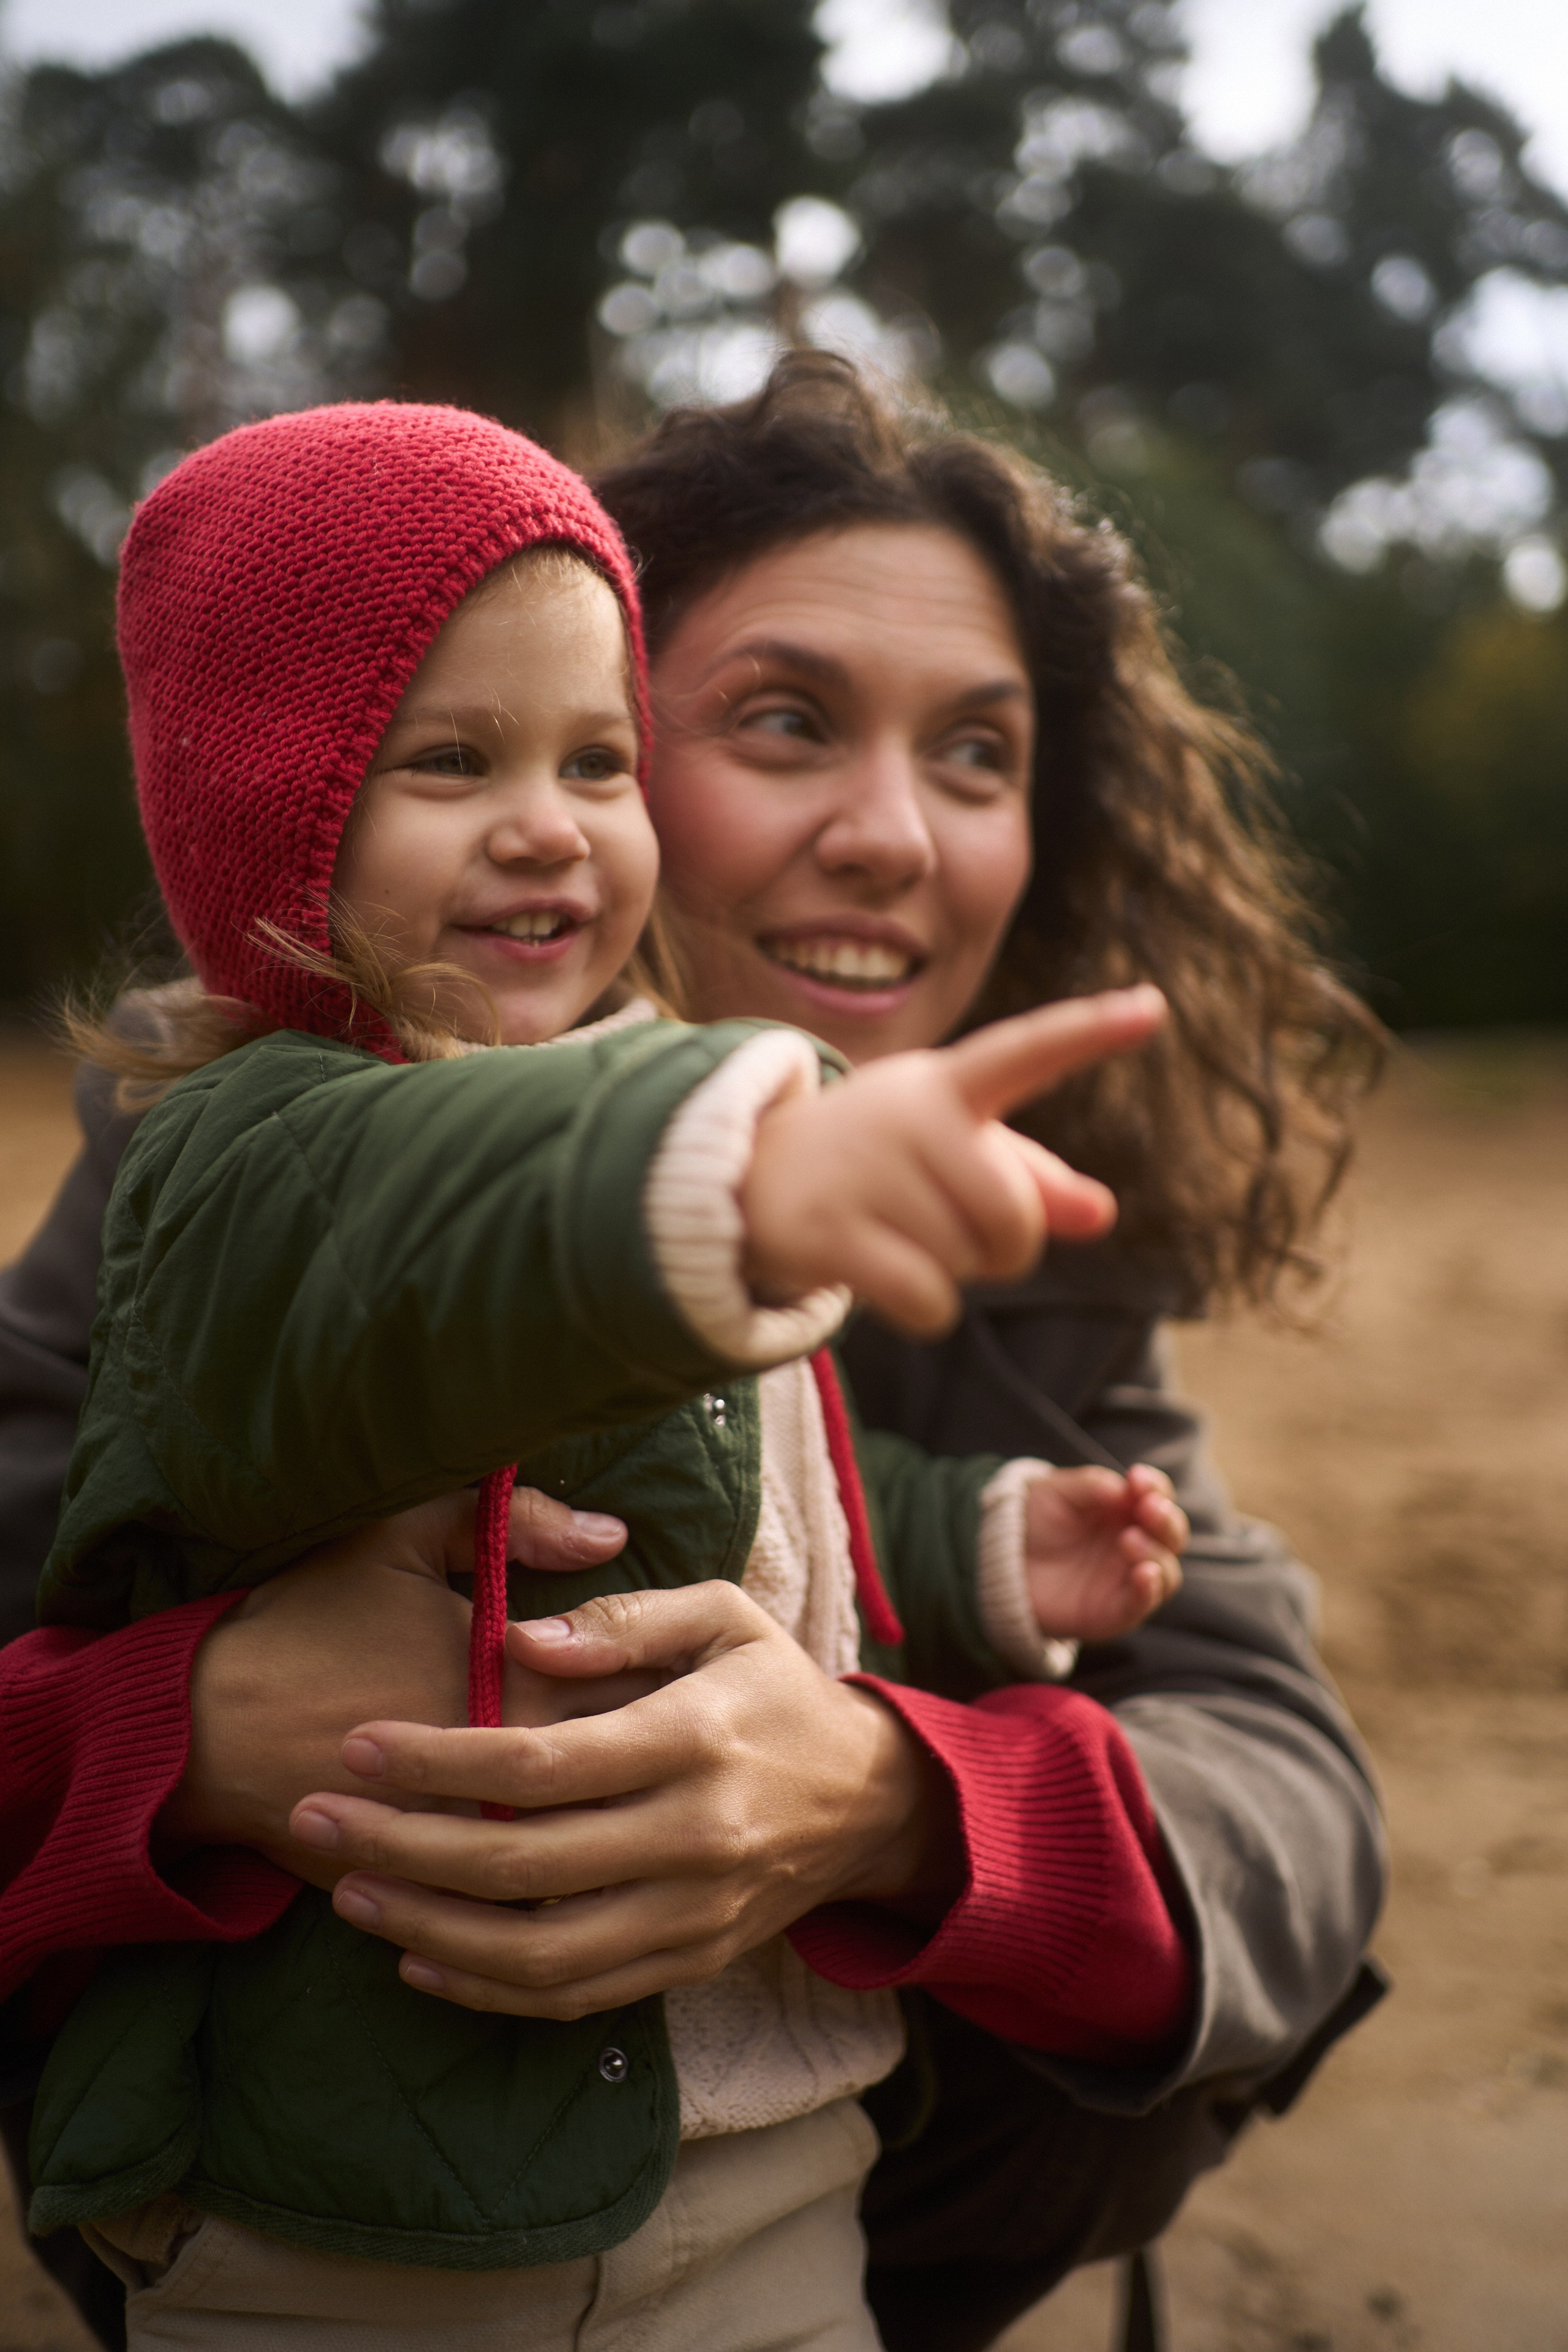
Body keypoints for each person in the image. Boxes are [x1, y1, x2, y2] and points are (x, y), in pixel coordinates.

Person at [0, 356, 1386, 2352]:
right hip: (340, 2199)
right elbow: (481, 1203)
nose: (896, 833)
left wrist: (897, 1802)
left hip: (775, 2209)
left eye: (981, 754)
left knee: (1157, 2037)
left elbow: (1291, 1802)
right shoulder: (237, 1152)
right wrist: (186, 1739)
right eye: (785, 721)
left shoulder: (1044, 1231)